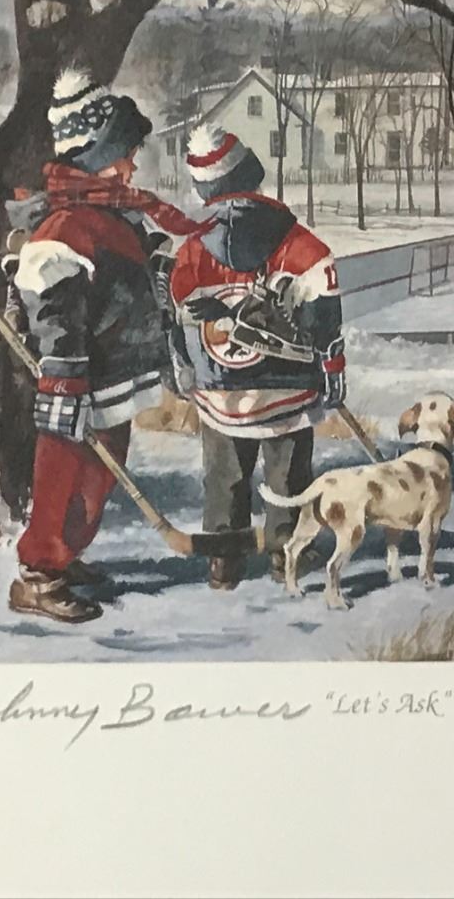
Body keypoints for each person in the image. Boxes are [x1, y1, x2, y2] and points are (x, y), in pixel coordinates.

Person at [6, 68, 210, 624]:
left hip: (116, 376)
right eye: (124, 154)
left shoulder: (110, 215)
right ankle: (38, 572)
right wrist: (64, 381)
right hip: (80, 381)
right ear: (94, 154)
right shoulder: (65, 228)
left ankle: (66, 555)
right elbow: (54, 309)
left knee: (97, 481)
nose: (131, 166)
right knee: (63, 475)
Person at [168, 122, 345, 591]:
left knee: (224, 476)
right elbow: (323, 308)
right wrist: (331, 365)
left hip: (219, 388)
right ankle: (287, 555)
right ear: (251, 174)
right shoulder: (297, 241)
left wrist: (185, 366)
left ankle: (223, 561)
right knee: (288, 476)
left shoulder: (191, 248)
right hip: (287, 387)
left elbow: (179, 313)